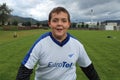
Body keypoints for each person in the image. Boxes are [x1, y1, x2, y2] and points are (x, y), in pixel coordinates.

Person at [16, 6, 100, 80]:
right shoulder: (40, 43)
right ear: (49, 23)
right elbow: (24, 70)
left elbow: (89, 69)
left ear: (68, 24)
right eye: (55, 20)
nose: (59, 24)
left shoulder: (77, 45)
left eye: (64, 21)